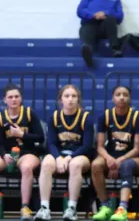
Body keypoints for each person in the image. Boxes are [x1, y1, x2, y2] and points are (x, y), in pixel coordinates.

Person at [0, 84, 44, 220]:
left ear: (21, 98)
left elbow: (40, 137)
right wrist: (4, 155)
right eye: (10, 97)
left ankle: (25, 207)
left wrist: (22, 134)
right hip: (6, 153)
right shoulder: (0, 118)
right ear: (4, 100)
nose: (13, 99)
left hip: (27, 153)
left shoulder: (30, 114)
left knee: (26, 168)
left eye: (16, 96)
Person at [34, 85, 94, 221]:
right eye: (67, 96)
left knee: (75, 165)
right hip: (60, 154)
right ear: (61, 100)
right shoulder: (54, 117)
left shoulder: (86, 118)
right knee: (46, 163)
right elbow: (51, 143)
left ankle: (72, 208)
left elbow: (87, 145)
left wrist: (68, 158)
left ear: (78, 99)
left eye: (74, 96)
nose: (70, 99)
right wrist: (58, 158)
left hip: (80, 155)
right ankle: (44, 208)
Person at [92, 86, 139, 221]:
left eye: (125, 94)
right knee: (96, 165)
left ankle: (122, 208)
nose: (122, 97)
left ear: (129, 98)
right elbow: (99, 147)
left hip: (132, 157)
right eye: (118, 94)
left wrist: (119, 160)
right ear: (113, 98)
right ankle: (105, 206)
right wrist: (110, 159)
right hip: (110, 155)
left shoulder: (137, 117)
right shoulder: (104, 116)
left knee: (126, 165)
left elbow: (138, 148)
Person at [77, 0, 125, 66]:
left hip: (105, 27)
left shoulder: (115, 0)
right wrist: (93, 15)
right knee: (86, 28)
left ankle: (115, 50)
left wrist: (105, 13)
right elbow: (80, 11)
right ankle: (88, 52)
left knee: (111, 19)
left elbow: (120, 17)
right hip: (90, 25)